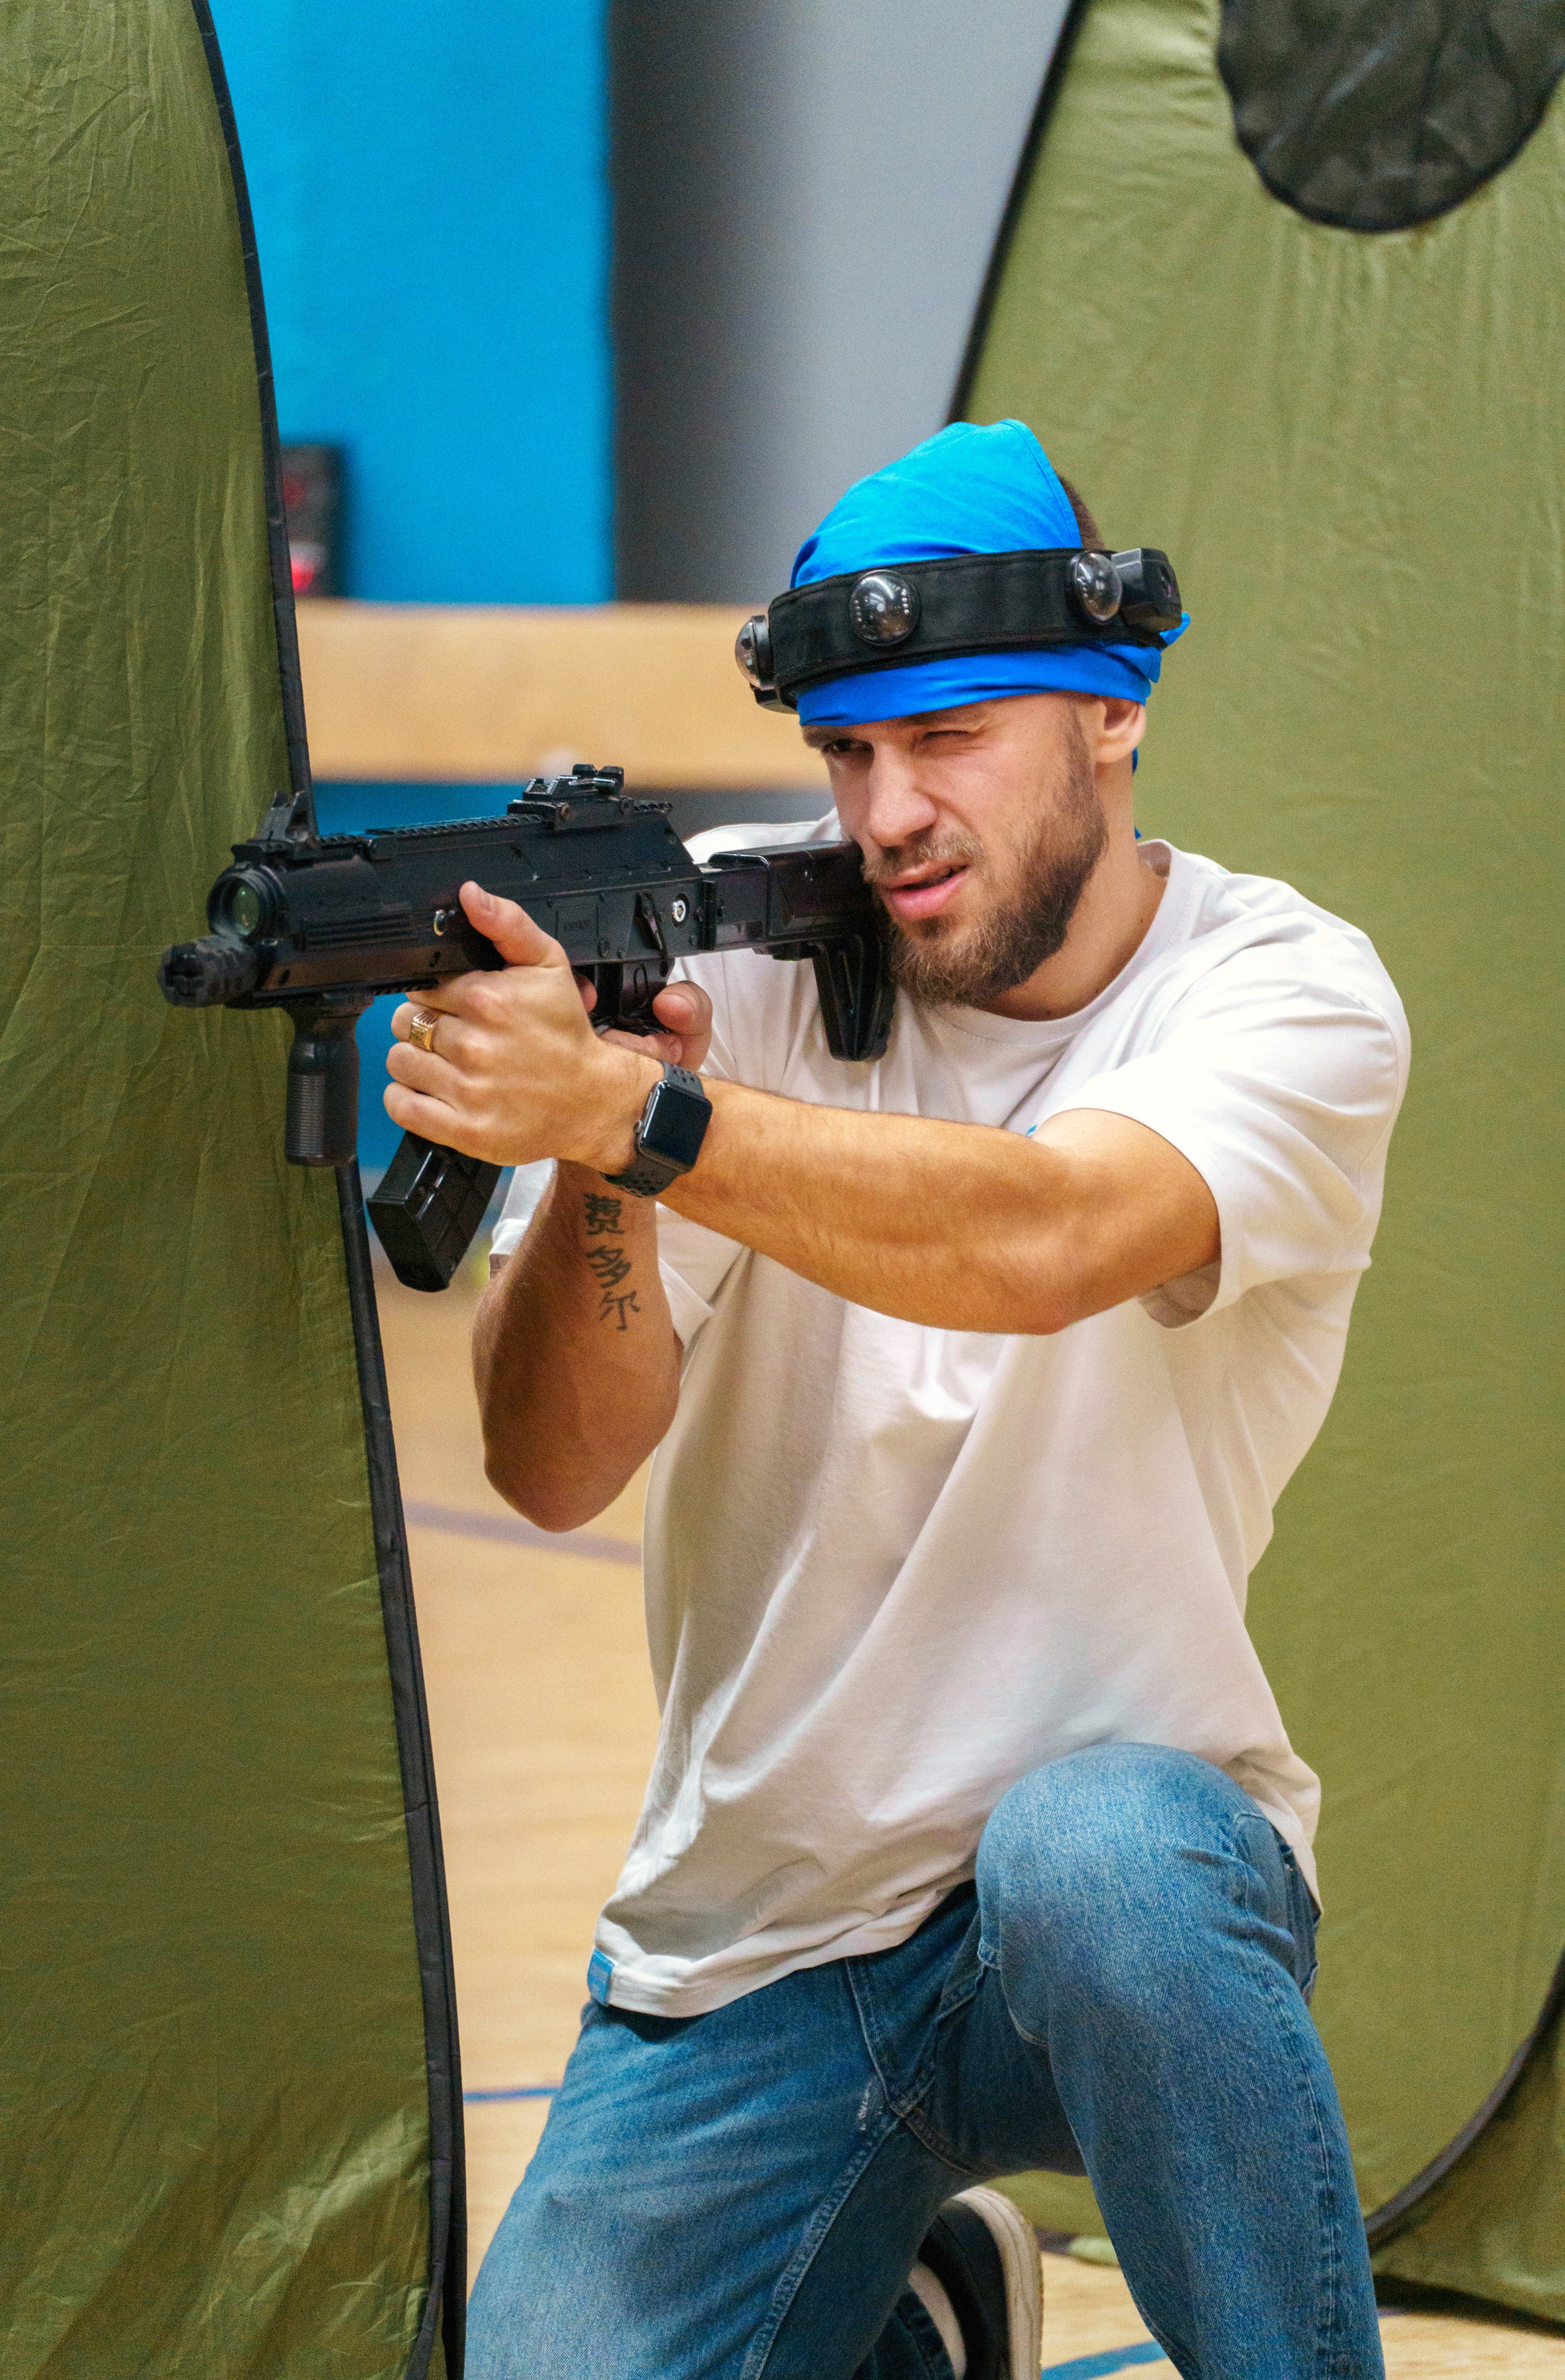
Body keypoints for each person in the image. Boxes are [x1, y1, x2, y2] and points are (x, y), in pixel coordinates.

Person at [386, 421, 1408, 2380]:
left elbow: (1053, 1238)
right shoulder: (729, 958)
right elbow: (553, 1461)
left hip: (1108, 1918)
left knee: (1102, 1855)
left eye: (952, 738)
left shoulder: (1286, 991)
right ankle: (920, 2325)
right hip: (755, 1939)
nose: (888, 812)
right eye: (849, 752)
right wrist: (605, 1149)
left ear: (1118, 713)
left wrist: (648, 1112)